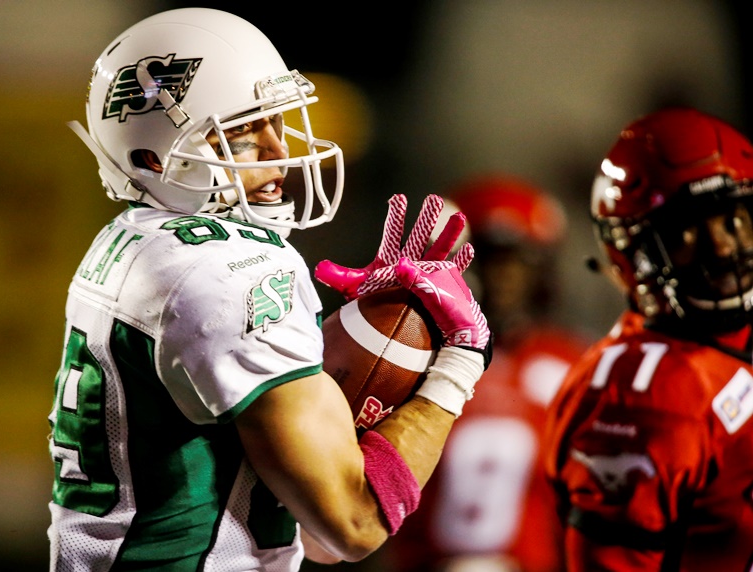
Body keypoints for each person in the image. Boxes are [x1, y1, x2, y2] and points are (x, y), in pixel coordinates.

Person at [46, 7, 492, 572]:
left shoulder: (129, 239)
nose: (280, 151)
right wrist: (460, 361)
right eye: (243, 130)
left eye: (276, 121)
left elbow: (311, 529)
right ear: (154, 156)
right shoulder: (231, 271)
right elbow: (352, 525)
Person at [543, 106, 753, 570]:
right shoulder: (647, 394)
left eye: (734, 221)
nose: (721, 246)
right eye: (685, 230)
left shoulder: (732, 342)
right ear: (631, 254)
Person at [387, 176, 589, 572]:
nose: (505, 279)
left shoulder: (569, 364)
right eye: (491, 261)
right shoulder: (410, 355)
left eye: (518, 262)